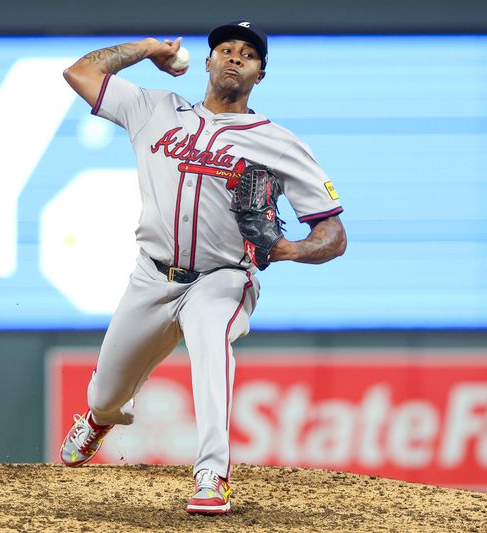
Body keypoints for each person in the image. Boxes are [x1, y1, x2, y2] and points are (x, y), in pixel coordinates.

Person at [59, 20, 346, 515]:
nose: (235, 57)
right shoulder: (154, 109)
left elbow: (333, 234)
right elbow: (79, 72)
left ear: (260, 74)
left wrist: (290, 249)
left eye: (248, 54)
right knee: (105, 394)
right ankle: (102, 418)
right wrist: (149, 49)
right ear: (208, 62)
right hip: (151, 276)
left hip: (222, 278)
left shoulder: (277, 142)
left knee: (210, 341)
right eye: (226, 49)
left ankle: (212, 475)